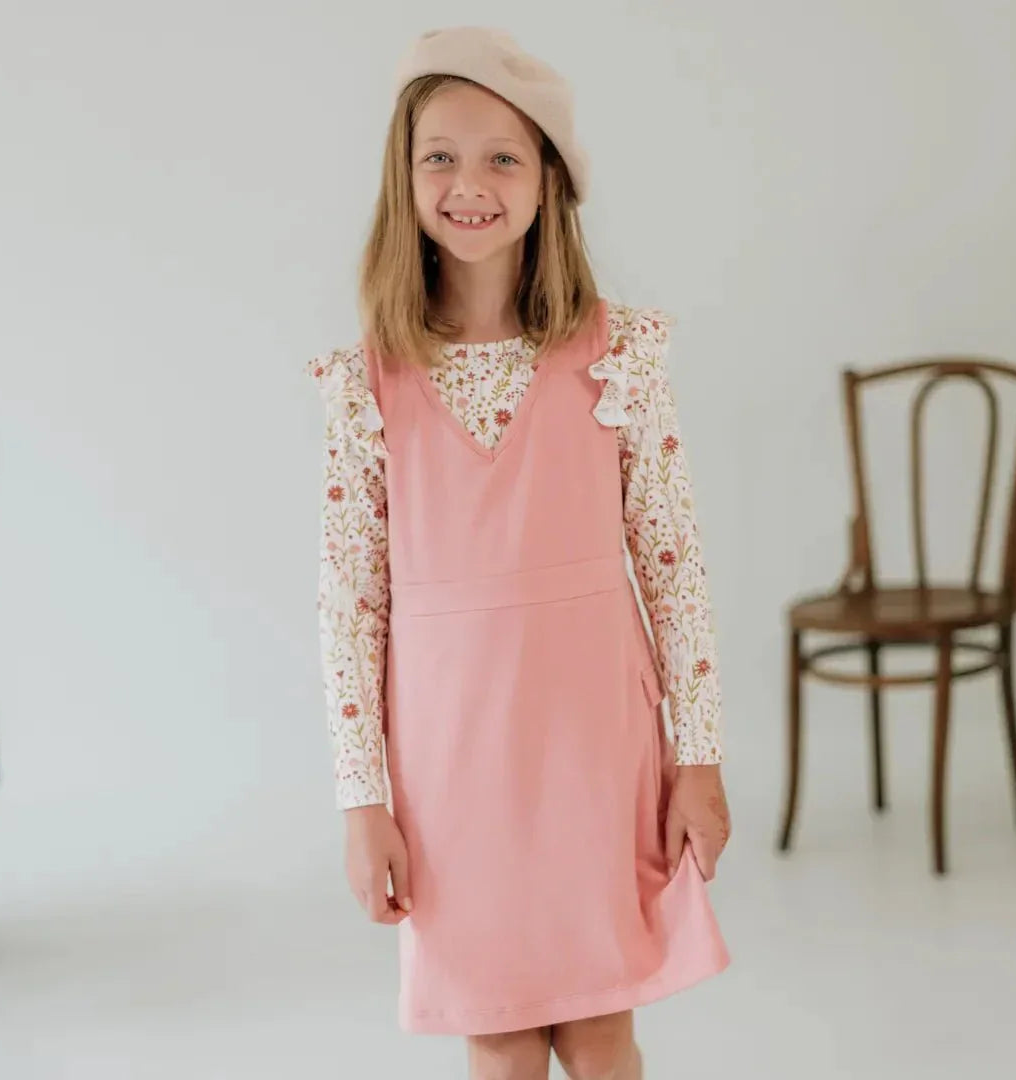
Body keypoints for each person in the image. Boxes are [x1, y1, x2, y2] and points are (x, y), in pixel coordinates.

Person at [307, 26, 732, 1079]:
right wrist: (364, 801)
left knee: (598, 1024)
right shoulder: (367, 385)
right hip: (452, 762)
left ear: (549, 182)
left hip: (595, 742)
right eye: (439, 155)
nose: (470, 184)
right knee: (496, 1033)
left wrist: (699, 755)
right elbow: (350, 603)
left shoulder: (617, 357)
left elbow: (674, 565)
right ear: (402, 180)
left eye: (503, 156)